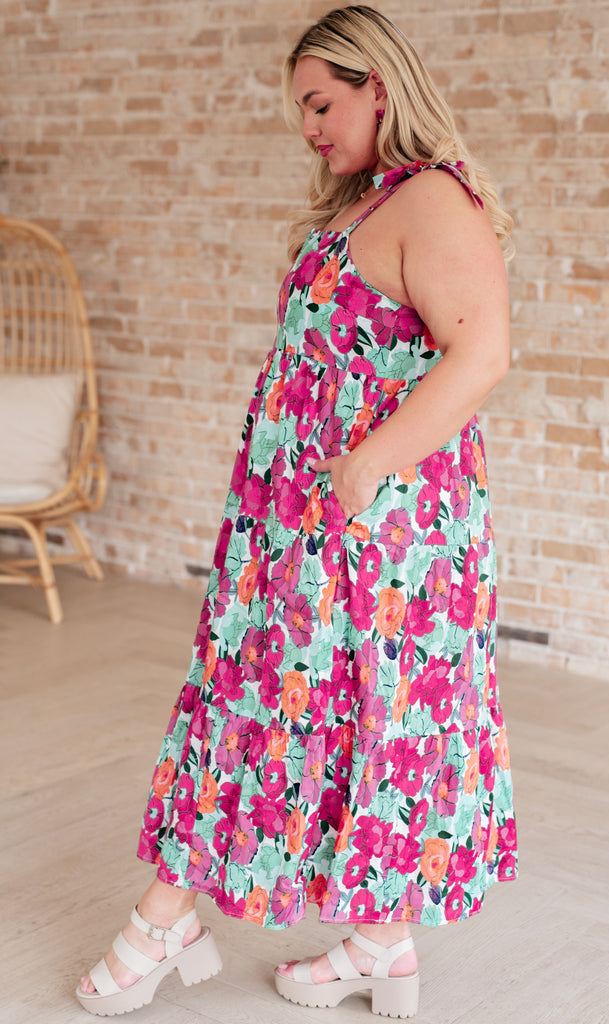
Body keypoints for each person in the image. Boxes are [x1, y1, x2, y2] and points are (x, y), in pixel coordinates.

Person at [76, 5, 518, 1018]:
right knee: (352, 712)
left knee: (271, 701)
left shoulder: (430, 200)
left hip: (371, 536)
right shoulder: (375, 204)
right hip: (310, 524)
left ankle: (164, 920)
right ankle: (382, 943)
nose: (309, 127)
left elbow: (483, 351)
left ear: (379, 87)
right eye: (301, 110)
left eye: (321, 103)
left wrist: (363, 468)